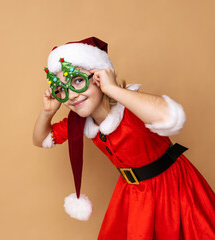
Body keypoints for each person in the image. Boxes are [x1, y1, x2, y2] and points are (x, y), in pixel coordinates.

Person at [33, 36, 215, 239]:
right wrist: (47, 112)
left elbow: (170, 117)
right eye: (62, 89)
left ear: (100, 76)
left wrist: (112, 89)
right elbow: (42, 139)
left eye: (77, 80)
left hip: (171, 187)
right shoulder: (78, 122)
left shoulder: (130, 106)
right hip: (133, 193)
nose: (72, 95)